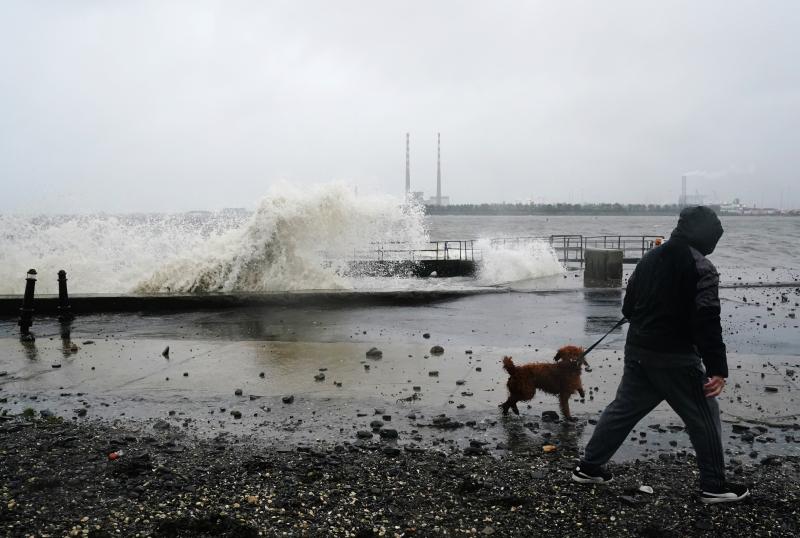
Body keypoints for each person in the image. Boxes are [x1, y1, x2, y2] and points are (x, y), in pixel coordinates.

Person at [572, 206, 750, 504]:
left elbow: (628, 308)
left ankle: (588, 468)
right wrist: (718, 368)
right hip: (676, 358)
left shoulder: (649, 258)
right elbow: (708, 320)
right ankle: (714, 486)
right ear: (707, 235)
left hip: (639, 350)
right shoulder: (702, 267)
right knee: (705, 416)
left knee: (622, 411)